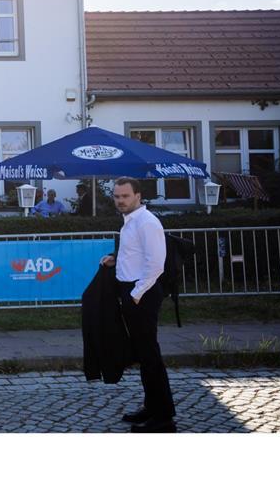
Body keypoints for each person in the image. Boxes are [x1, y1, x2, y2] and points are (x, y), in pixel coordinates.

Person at [100, 177, 176, 432]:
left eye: (125, 196)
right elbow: (135, 255)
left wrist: (136, 294)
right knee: (144, 355)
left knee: (150, 355)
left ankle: (163, 417)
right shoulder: (130, 222)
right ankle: (152, 407)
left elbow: (156, 264)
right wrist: (115, 258)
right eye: (116, 196)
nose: (120, 200)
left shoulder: (147, 222)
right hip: (133, 292)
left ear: (138, 196)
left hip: (142, 294)